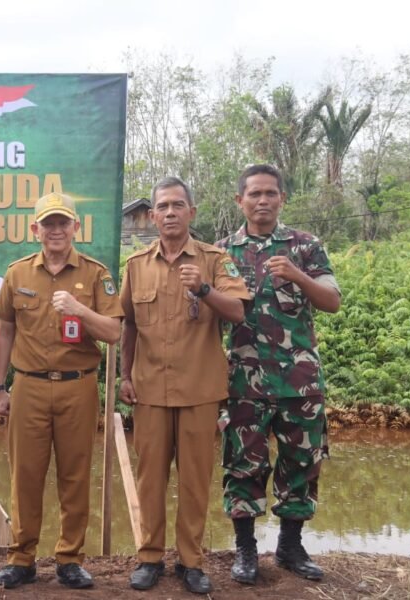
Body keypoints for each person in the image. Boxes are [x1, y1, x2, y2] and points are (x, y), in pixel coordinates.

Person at [119, 176, 249, 595]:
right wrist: (124, 375)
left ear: (192, 212)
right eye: (163, 206)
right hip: (150, 391)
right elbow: (129, 327)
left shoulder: (216, 259)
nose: (170, 213)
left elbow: (238, 314)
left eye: (178, 205)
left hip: (199, 391)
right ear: (152, 215)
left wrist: (204, 289)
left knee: (195, 482)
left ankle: (191, 561)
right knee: (149, 479)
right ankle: (150, 557)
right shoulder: (137, 266)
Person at [0, 192, 124, 590]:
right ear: (36, 230)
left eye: (63, 222)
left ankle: (69, 559)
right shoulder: (17, 274)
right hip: (28, 385)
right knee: (25, 475)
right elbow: (5, 331)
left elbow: (114, 332)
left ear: (75, 228)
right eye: (48, 223)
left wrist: (80, 310)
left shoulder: (96, 275)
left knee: (75, 475)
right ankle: (21, 557)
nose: (56, 230)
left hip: (77, 386)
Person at [216, 164, 341, 585]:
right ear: (241, 200)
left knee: (301, 464)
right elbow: (209, 321)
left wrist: (297, 275)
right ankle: (246, 551)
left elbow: (332, 301)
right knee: (243, 463)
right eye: (254, 194)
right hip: (243, 383)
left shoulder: (305, 246)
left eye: (271, 193)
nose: (263, 200)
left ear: (282, 198)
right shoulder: (222, 253)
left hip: (299, 382)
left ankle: (290, 547)